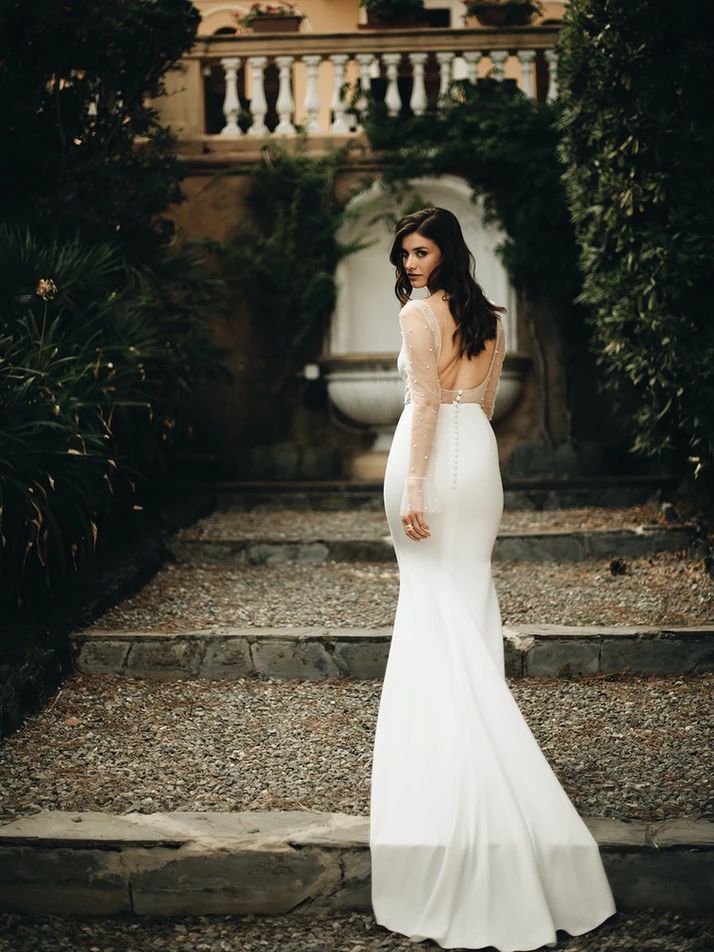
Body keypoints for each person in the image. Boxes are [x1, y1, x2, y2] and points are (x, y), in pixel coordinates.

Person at [369, 207, 617, 951]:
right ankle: (477, 748)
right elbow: (480, 404)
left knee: (432, 608)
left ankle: (454, 772)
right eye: (406, 253)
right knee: (464, 606)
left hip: (434, 459)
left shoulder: (419, 314)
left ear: (446, 251)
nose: (412, 264)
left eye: (423, 250)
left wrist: (414, 488)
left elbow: (424, 403)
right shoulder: (490, 317)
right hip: (478, 463)